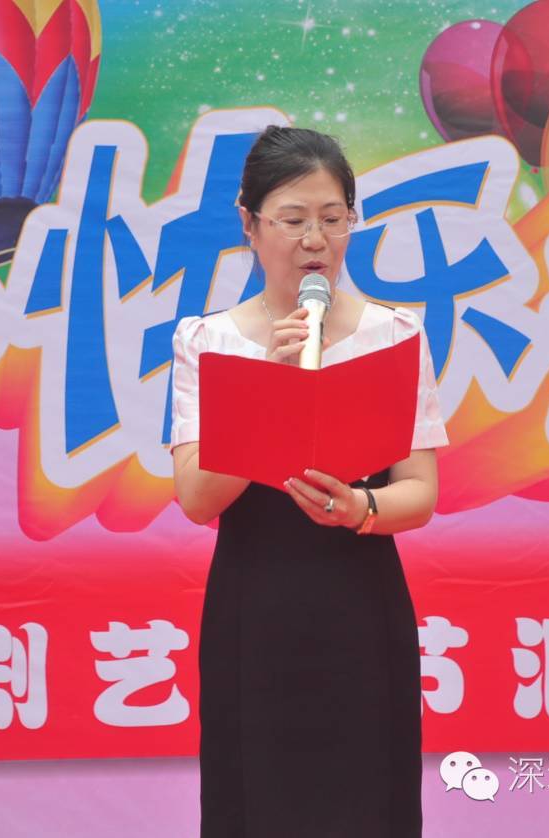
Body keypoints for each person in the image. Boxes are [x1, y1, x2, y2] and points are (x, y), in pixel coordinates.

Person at [169, 125, 448, 838]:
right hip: (255, 610)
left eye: (333, 218)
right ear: (250, 225)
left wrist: (362, 506)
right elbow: (197, 499)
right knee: (256, 803)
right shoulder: (209, 341)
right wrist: (270, 385)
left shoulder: (394, 334)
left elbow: (420, 491)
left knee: (368, 805)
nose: (315, 240)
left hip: (361, 604)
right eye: (293, 220)